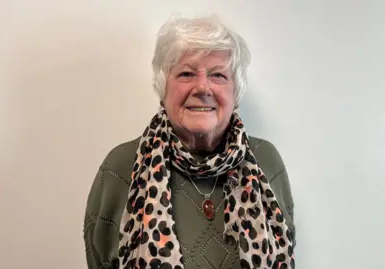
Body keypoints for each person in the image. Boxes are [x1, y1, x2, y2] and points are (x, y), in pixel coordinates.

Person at [83, 14, 296, 269]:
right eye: (186, 74)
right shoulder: (120, 168)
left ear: (234, 91)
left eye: (218, 75)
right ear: (164, 87)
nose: (202, 87)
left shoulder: (266, 161)